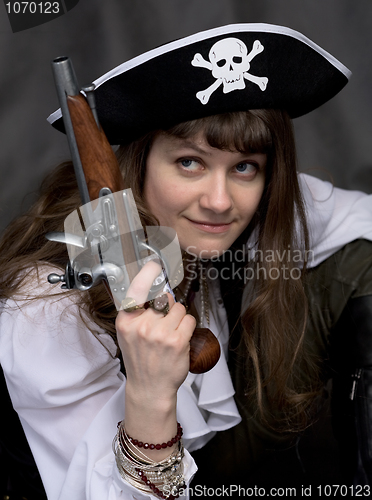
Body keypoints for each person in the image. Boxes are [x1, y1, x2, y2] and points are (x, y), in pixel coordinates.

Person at [1, 23, 372, 499]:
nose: (219, 202)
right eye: (190, 163)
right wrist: (150, 392)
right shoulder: (47, 310)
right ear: (137, 164)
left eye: (244, 167)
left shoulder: (212, 219)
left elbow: (355, 215)